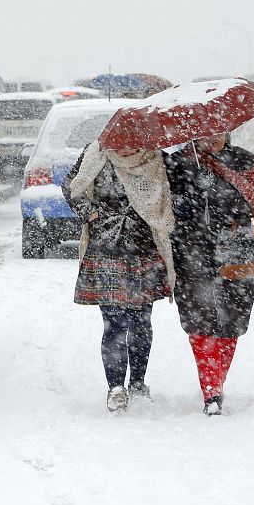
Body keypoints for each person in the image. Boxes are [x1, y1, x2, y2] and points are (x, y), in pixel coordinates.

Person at [164, 133, 254, 415]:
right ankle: (211, 391)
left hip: (235, 251)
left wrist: (218, 196)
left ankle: (217, 380)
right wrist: (193, 191)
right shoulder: (177, 164)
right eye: (204, 131)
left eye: (218, 129)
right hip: (191, 253)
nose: (212, 136)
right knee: (199, 321)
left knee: (231, 322)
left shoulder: (245, 162)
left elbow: (253, 206)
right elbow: (168, 208)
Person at [63, 141, 176, 413]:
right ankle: (115, 388)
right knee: (113, 324)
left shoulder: (159, 160)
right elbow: (70, 185)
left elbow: (177, 193)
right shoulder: (95, 155)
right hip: (106, 250)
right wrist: (88, 213)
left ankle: (138, 383)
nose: (125, 148)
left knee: (140, 322)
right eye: (121, 141)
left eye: (132, 141)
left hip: (145, 250)